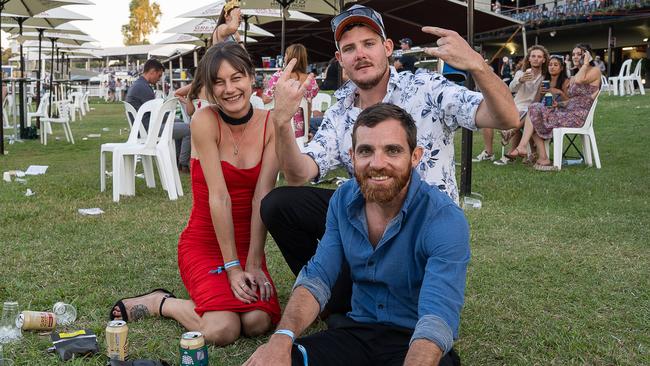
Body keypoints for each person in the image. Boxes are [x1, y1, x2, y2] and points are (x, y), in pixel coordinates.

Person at [261, 4, 518, 316]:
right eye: (350, 48)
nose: (361, 54)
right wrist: (281, 123)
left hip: (420, 224)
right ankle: (338, 300)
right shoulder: (341, 109)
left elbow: (507, 118)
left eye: (369, 44)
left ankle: (389, 291)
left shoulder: (425, 87)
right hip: (367, 215)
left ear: (387, 48)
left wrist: (478, 66)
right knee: (280, 204)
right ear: (340, 59)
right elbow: (299, 174)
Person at [245, 103, 469, 366]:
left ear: (415, 156)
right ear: (352, 156)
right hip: (356, 332)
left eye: (393, 150)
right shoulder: (343, 200)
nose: (377, 163)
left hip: (413, 338)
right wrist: (281, 339)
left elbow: (437, 316)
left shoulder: (444, 218)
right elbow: (318, 277)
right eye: (366, 151)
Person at [109, 42, 281, 345]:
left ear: (252, 78)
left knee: (257, 322)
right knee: (222, 330)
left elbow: (261, 198)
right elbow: (220, 197)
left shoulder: (270, 124)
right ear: (209, 89)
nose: (229, 89)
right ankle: (161, 302)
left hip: (247, 244)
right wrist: (232, 268)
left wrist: (254, 262)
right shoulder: (205, 121)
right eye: (218, 82)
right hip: (205, 242)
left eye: (236, 78)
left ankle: (240, 276)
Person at [508, 43, 601, 171]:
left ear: (587, 56)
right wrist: (559, 104)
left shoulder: (594, 70)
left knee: (535, 113)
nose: (575, 56)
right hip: (568, 111)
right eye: (573, 54)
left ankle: (533, 152)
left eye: (579, 54)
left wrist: (585, 63)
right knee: (535, 110)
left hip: (578, 117)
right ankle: (536, 154)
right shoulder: (578, 73)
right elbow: (573, 100)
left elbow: (579, 81)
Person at [474, 45, 548, 164]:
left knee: (521, 116)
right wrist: (520, 80)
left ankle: (510, 151)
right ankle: (488, 152)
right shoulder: (521, 73)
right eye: (533, 56)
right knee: (488, 113)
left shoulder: (544, 77)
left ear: (544, 60)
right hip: (514, 105)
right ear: (529, 59)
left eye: (539, 57)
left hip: (529, 109)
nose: (536, 59)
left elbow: (537, 100)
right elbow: (511, 88)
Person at [126, 59, 192, 171]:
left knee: (179, 123)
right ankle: (183, 163)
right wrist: (169, 117)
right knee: (189, 129)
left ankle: (177, 160)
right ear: (152, 71)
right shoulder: (144, 88)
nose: (159, 79)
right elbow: (157, 116)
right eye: (159, 75)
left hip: (142, 126)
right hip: (148, 129)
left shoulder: (139, 85)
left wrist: (171, 118)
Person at [262, 43, 319, 140]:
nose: (284, 58)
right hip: (301, 133)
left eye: (285, 55)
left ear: (290, 58)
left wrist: (267, 87)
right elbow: (308, 107)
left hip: (280, 130)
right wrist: (307, 130)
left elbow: (265, 99)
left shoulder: (279, 76)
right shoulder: (311, 81)